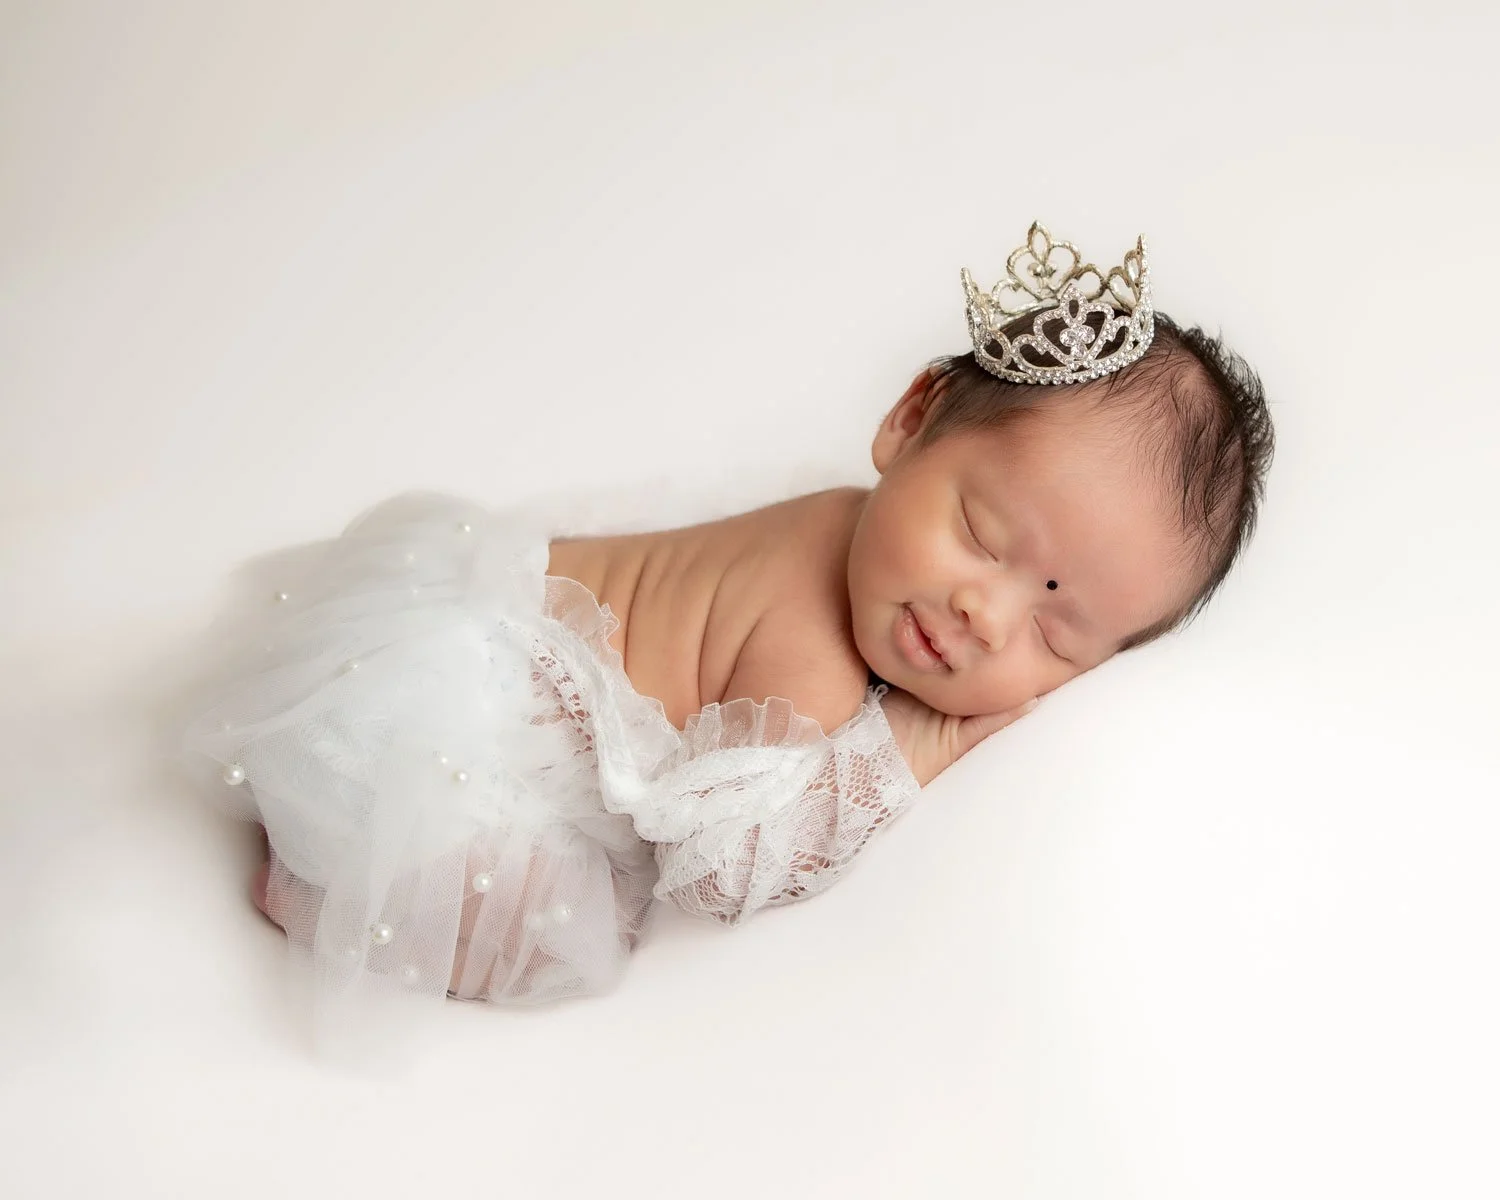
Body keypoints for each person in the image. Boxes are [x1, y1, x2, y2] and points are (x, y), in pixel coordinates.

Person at [181, 222, 1273, 1029]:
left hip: (441, 619)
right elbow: (721, 871)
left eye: (1057, 632)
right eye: (983, 535)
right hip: (454, 734)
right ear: (907, 421)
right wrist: (906, 753)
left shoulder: (838, 519)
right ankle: (318, 881)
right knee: (563, 941)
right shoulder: (813, 656)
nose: (985, 614)